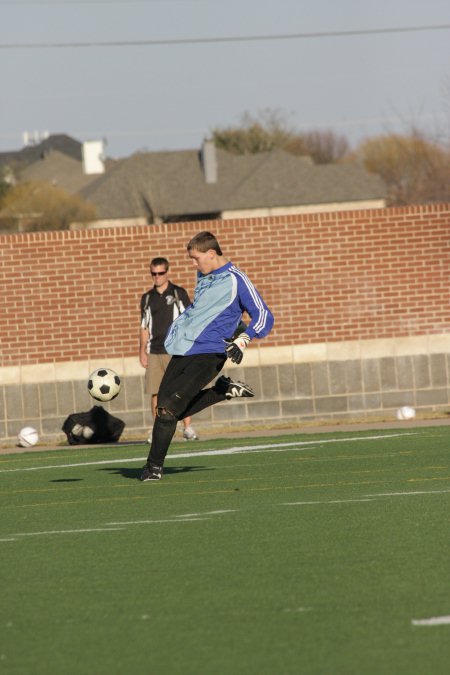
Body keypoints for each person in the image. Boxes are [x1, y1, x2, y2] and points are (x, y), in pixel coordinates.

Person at [140, 231, 274, 481]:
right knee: (164, 408)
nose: (193, 264)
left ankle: (153, 468)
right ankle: (221, 391)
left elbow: (264, 315)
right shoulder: (203, 274)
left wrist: (243, 338)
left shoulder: (237, 279)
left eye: (196, 258)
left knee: (169, 410)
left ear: (212, 254)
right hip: (184, 348)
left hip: (210, 353)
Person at [139, 256, 198, 442]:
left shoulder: (178, 293)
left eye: (160, 273)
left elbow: (190, 319)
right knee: (155, 392)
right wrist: (142, 350)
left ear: (167, 272)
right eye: (153, 273)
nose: (157, 277)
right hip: (155, 351)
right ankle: (157, 431)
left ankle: (188, 428)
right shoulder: (147, 298)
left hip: (176, 350)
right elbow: (144, 326)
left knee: (180, 390)